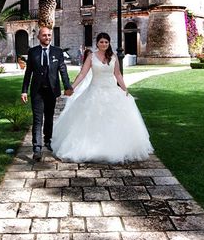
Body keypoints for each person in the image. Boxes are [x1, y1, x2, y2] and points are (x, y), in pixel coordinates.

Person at [51, 32, 153, 164]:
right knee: (90, 119)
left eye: (106, 42)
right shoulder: (91, 57)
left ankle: (115, 147)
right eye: (101, 42)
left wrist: (124, 89)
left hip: (112, 91)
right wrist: (72, 87)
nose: (104, 44)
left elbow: (118, 75)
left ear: (109, 43)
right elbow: (83, 73)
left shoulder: (114, 57)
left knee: (114, 119)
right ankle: (90, 147)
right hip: (94, 91)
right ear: (97, 43)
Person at [21, 27, 73, 161]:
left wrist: (67, 86)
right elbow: (28, 74)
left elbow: (63, 70)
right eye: (44, 35)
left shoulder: (57, 52)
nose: (47, 37)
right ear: (39, 37)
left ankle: (48, 140)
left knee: (49, 117)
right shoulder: (33, 52)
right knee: (38, 120)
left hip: (52, 90)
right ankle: (37, 148)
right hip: (37, 91)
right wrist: (24, 91)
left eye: (49, 35)